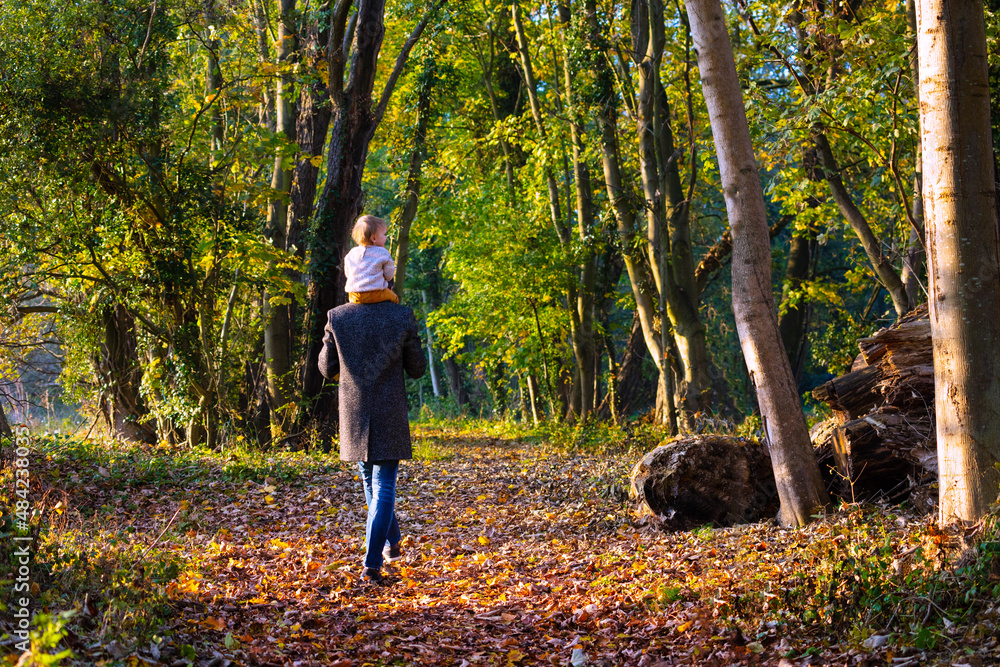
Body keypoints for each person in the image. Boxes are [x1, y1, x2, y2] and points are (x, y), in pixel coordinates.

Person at [317, 266, 427, 584]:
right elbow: (418, 368)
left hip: (354, 411)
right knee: (382, 488)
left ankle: (387, 546)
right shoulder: (401, 315)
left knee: (373, 486)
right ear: (386, 280)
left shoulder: (337, 316)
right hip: (389, 412)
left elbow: (326, 368)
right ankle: (374, 562)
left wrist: (332, 340)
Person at [344, 214, 399, 304]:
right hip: (375, 294)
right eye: (384, 234)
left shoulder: (351, 253)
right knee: (395, 298)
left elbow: (348, 274)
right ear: (374, 238)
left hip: (354, 295)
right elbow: (389, 276)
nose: (386, 237)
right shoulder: (383, 252)